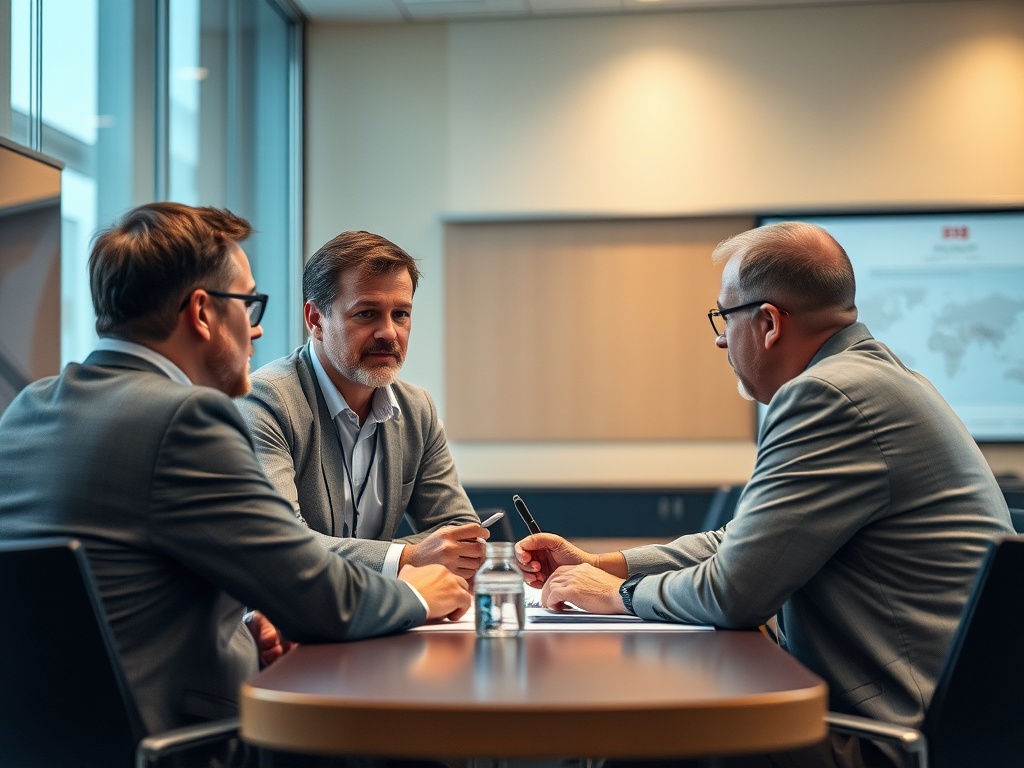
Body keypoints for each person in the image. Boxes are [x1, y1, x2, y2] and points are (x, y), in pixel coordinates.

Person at [516, 221, 1014, 768]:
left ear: (768, 322)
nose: (719, 338)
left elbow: (734, 593)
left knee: (647, 736)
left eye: (723, 318)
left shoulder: (828, 395)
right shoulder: (876, 378)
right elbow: (743, 543)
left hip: (890, 738)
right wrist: (602, 565)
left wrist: (618, 595)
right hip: (936, 720)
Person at [0, 203, 472, 737]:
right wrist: (417, 593)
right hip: (187, 740)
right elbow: (316, 598)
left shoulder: (27, 409)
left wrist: (244, 621)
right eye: (248, 305)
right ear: (202, 313)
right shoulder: (185, 418)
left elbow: (125, 591)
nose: (258, 330)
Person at [237, 231, 486, 582]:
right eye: (367, 314)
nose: (388, 332)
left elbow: (459, 531)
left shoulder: (417, 409)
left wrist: (410, 555)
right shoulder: (266, 401)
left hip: (381, 619)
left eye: (400, 314)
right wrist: (409, 557)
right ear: (315, 320)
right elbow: (283, 545)